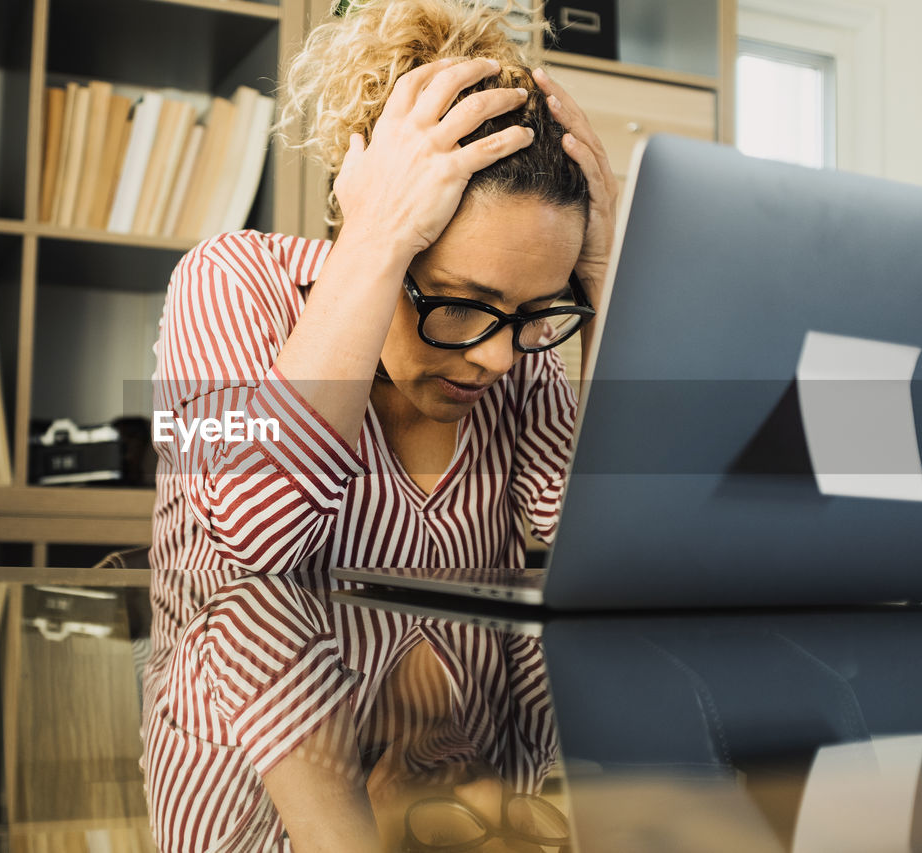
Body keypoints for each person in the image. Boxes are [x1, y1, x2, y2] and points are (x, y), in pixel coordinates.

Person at [141, 0, 618, 846]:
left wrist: (609, 289)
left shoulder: (522, 344)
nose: (499, 358)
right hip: (247, 798)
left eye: (536, 311)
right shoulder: (228, 283)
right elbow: (259, 537)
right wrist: (375, 238)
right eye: (461, 304)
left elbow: (617, 555)